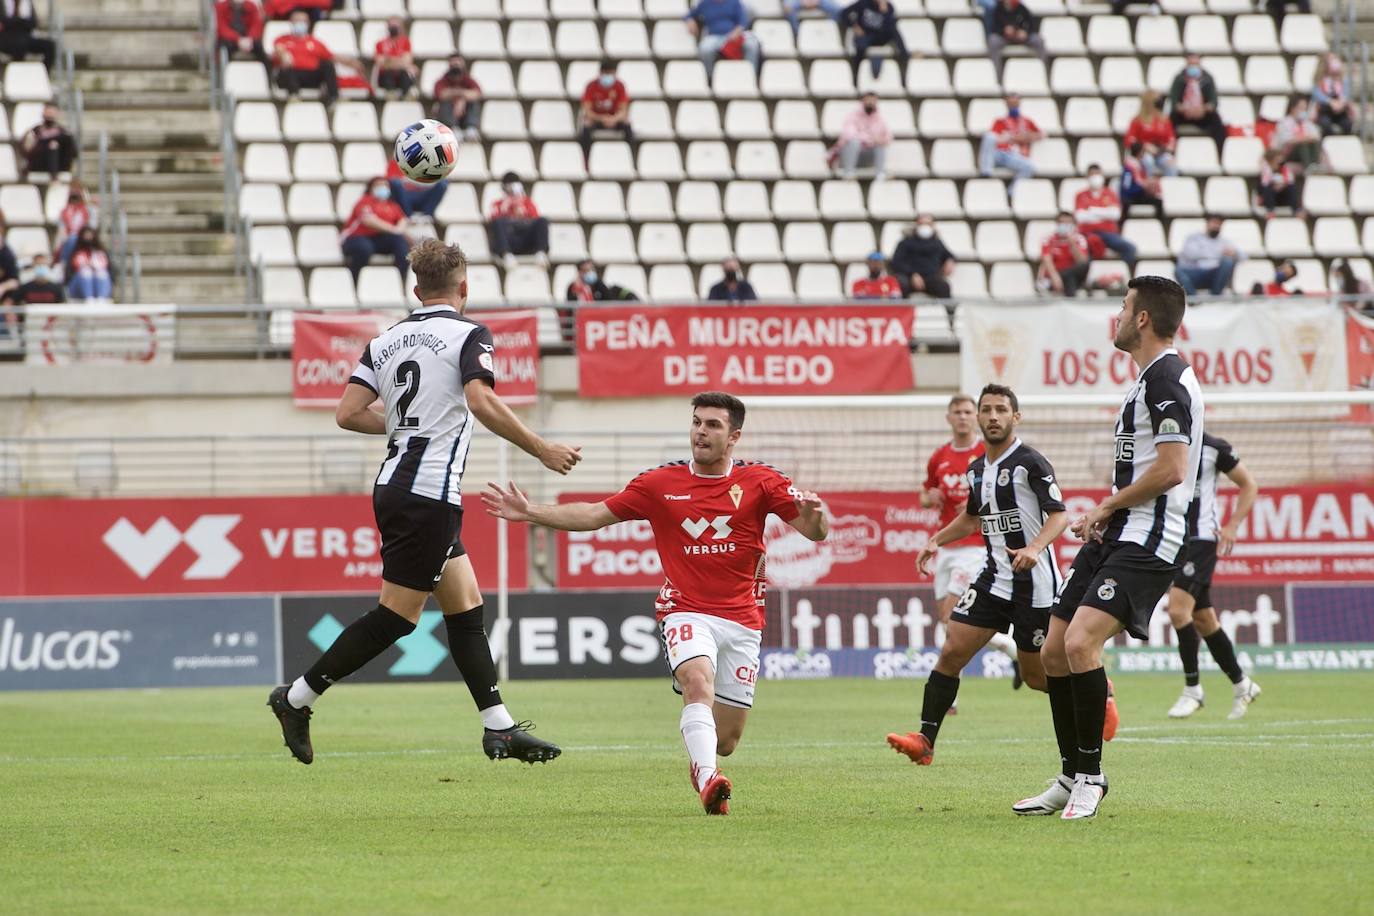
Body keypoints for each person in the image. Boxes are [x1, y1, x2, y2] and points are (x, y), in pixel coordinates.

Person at [267, 239, 582, 767]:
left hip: (399, 485)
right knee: (396, 618)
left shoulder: (386, 340)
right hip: (426, 494)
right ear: (464, 288)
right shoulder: (469, 334)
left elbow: (347, 413)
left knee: (466, 606)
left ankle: (499, 726)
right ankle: (296, 697)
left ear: (416, 290)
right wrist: (541, 448)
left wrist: (406, 427)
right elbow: (480, 400)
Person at [481, 391, 829, 815]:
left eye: (713, 425)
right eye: (696, 422)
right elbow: (594, 514)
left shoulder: (761, 481)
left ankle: (707, 762)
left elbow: (814, 531)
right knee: (697, 683)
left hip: (743, 620)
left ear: (734, 436)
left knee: (725, 740)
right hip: (685, 609)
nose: (701, 432)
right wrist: (531, 511)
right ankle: (708, 779)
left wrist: (817, 515)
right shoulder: (659, 484)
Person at [1029, 275, 1202, 820]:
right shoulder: (1147, 380)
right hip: (1119, 530)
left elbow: (1172, 469)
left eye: (1124, 307)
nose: (1118, 316)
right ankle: (1069, 776)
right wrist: (1106, 514)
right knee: (1053, 651)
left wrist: (1105, 505)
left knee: (1081, 643)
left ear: (1142, 318)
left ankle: (1091, 776)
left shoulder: (1166, 379)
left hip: (1151, 536)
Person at [888, 385, 1069, 768]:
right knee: (952, 650)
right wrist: (935, 540)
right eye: (987, 409)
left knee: (1037, 678)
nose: (992, 416)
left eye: (1001, 409)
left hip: (1035, 585)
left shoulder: (1031, 462)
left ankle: (1097, 690)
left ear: (1015, 417)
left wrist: (1035, 548)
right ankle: (924, 740)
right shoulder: (976, 470)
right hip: (993, 579)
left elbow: (1059, 515)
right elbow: (972, 518)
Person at [1165, 433, 1262, 720]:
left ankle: (1192, 690)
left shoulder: (1213, 448)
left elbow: (1249, 484)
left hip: (1201, 540)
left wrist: (1232, 525)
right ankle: (1242, 684)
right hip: (1172, 539)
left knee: (1177, 611)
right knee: (1204, 620)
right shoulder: (1165, 444)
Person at [917, 395, 1004, 678]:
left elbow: (1002, 492)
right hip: (946, 547)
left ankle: (946, 687)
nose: (963, 417)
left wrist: (975, 503)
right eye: (957, 412)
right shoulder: (939, 456)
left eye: (968, 412)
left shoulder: (986, 452)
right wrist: (930, 497)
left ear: (975, 417)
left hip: (975, 547)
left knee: (951, 615)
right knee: (948, 622)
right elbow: (924, 494)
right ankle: (1010, 649)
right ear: (949, 418)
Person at [340, 177, 409, 281]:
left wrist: (398, 230)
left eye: (385, 185)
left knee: (400, 242)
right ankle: (354, 280)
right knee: (364, 248)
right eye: (379, 185)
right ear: (371, 188)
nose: (383, 187)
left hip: (379, 240)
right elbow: (368, 220)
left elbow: (402, 219)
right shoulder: (364, 201)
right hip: (356, 238)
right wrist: (394, 230)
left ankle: (401, 279)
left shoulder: (392, 205)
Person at [272, 12, 343, 108]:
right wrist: (284, 55)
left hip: (311, 76)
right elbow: (279, 49)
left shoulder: (316, 42)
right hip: (291, 75)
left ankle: (334, 97)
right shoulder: (282, 39)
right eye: (297, 21)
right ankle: (294, 96)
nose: (300, 24)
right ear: (291, 22)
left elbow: (331, 57)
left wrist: (352, 63)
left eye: (303, 21)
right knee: (286, 69)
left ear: (308, 23)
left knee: (327, 65)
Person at [1075, 164, 1137, 272]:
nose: (1095, 177)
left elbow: (1116, 215)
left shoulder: (1110, 193)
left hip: (1108, 233)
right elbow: (1080, 217)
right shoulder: (1081, 195)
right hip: (1087, 233)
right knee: (1084, 254)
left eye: (1097, 174)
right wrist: (1105, 213)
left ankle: (1121, 274)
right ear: (1087, 177)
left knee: (1130, 248)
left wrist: (1092, 210)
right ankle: (1089, 279)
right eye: (1092, 174)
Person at [979, 93, 1040, 196]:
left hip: (1013, 156)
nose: (1013, 106)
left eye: (1015, 103)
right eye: (1011, 103)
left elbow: (1041, 134)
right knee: (988, 136)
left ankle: (1011, 194)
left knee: (1029, 167)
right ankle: (986, 173)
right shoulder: (1000, 121)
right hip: (998, 154)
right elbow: (994, 139)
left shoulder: (1027, 121)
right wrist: (1009, 138)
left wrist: (1018, 137)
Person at [487, 172, 549, 269]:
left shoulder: (527, 202)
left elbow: (536, 219)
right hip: (510, 240)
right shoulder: (498, 204)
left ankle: (541, 253)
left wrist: (523, 210)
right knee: (498, 222)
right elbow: (493, 220)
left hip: (526, 240)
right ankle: (506, 255)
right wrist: (506, 207)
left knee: (542, 221)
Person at [684, 0, 761, 79]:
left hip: (734, 35)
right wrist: (690, 20)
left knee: (752, 45)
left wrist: (737, 31)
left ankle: (751, 76)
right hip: (714, 37)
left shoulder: (734, 2)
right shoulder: (705, 3)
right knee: (705, 49)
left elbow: (742, 20)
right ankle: (710, 78)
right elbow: (689, 15)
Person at [578, 60, 633, 165]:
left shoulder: (620, 86)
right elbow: (587, 110)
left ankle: (630, 157)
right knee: (586, 125)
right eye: (606, 73)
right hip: (596, 119)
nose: (608, 76)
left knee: (627, 123)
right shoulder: (591, 86)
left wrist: (613, 119)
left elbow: (623, 110)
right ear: (600, 73)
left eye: (610, 73)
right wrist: (602, 118)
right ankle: (586, 160)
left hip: (614, 119)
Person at [840, 0, 909, 83]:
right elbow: (844, 13)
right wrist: (854, 26)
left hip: (880, 37)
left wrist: (885, 12)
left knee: (894, 32)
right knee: (860, 46)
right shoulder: (863, 3)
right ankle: (856, 73)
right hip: (865, 35)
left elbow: (890, 27)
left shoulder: (889, 7)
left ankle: (904, 56)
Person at [1169, 54, 1226, 152]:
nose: (1193, 67)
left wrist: (1202, 109)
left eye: (1195, 64)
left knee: (1216, 121)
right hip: (1184, 114)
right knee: (1171, 119)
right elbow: (1174, 102)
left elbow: (1213, 102)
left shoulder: (1208, 79)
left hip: (1202, 114)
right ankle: (1171, 150)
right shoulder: (1179, 79)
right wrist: (1186, 109)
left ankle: (1220, 152)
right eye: (1191, 64)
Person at [891, 215, 955, 299]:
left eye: (928, 224)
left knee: (944, 286)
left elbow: (948, 254)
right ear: (916, 225)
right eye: (922, 224)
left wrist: (950, 260)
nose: (925, 227)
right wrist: (912, 274)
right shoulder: (905, 243)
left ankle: (949, 308)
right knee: (901, 284)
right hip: (909, 278)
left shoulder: (937, 243)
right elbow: (896, 263)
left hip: (931, 278)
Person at [1175, 216, 1242, 297]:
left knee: (1227, 262)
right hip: (1196, 272)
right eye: (1214, 223)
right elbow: (1191, 254)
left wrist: (1234, 253)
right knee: (1179, 270)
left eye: (1219, 224)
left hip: (1214, 275)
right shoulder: (1194, 237)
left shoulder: (1224, 241)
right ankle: (1193, 299)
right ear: (1207, 223)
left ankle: (1215, 296)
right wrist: (1218, 253)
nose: (1216, 226)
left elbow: (1243, 256)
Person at [831, 92, 891, 180]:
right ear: (863, 101)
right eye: (868, 100)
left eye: (873, 101)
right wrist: (871, 139)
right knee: (854, 142)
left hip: (866, 157)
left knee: (880, 145)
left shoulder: (879, 119)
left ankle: (880, 174)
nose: (870, 103)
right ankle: (849, 173)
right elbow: (849, 134)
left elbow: (888, 137)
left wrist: (878, 140)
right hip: (847, 156)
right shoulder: (852, 116)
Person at [986, 0, 1049, 83]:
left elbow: (1032, 25)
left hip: (1022, 38)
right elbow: (993, 28)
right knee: (993, 41)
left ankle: (1044, 75)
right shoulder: (998, 9)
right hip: (1004, 39)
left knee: (1038, 40)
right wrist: (1004, 31)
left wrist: (1025, 32)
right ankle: (997, 79)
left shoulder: (1021, 8)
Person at [1124, 90, 1179, 178]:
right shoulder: (1137, 120)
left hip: (1161, 153)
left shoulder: (1164, 120)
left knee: (1170, 163)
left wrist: (1167, 148)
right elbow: (1129, 140)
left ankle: (1171, 185)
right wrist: (1144, 146)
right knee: (1148, 161)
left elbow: (1171, 139)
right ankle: (1148, 185)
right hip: (1144, 153)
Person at [1037, 212, 1091, 298]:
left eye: (1068, 223)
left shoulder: (1079, 239)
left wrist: (1072, 244)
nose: (1065, 226)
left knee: (1079, 269)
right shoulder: (1048, 239)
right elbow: (1046, 259)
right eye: (1062, 223)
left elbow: (1082, 261)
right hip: (1055, 275)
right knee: (1069, 278)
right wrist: (1054, 276)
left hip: (1074, 276)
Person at [431, 55, 482, 141]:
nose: (456, 66)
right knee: (445, 103)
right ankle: (452, 128)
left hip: (465, 115)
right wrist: (460, 97)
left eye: (458, 64)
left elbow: (477, 94)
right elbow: (441, 95)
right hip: (448, 115)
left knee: (473, 102)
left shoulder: (469, 80)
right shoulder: (441, 81)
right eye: (453, 64)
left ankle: (471, 129)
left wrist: (462, 100)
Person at [19, 104, 77, 179]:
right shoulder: (34, 131)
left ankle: (55, 175)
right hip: (39, 163)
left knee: (57, 145)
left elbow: (73, 153)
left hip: (60, 165)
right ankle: (54, 176)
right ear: (43, 113)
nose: (50, 117)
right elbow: (25, 150)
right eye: (48, 113)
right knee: (51, 146)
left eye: (52, 114)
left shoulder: (64, 133)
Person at [0, 0, 56, 70]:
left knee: (49, 46)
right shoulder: (2, 2)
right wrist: (22, 21)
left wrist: (13, 22)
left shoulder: (27, 2)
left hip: (26, 37)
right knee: (19, 44)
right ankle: (17, 72)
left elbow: (34, 22)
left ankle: (43, 73)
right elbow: (3, 22)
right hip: (6, 39)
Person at [215, 0, 269, 68]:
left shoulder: (251, 6)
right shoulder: (220, 7)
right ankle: (226, 71)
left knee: (259, 46)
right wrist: (238, 39)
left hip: (248, 39)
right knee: (225, 46)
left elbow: (256, 25)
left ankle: (266, 72)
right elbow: (222, 28)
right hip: (230, 40)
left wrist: (250, 39)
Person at [65, 228, 115, 301]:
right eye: (86, 235)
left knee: (101, 273)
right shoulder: (75, 252)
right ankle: (89, 298)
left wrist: (95, 269)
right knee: (86, 272)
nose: (88, 237)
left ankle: (101, 298)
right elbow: (68, 274)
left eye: (90, 235)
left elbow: (110, 272)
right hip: (78, 286)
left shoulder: (101, 253)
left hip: (99, 284)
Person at [1273, 96, 1323, 170]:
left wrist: (1306, 139)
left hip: (1305, 152)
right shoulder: (1284, 122)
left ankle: (1315, 166)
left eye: (1305, 109)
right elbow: (1286, 140)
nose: (1303, 111)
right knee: (1302, 144)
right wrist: (1303, 139)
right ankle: (1309, 168)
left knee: (1313, 144)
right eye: (1301, 108)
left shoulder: (1307, 122)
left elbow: (1316, 136)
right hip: (1288, 153)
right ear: (1292, 108)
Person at [55, 182, 97, 268]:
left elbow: (92, 227)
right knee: (71, 239)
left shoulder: (88, 210)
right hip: (69, 239)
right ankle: (65, 265)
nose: (75, 201)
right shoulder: (64, 211)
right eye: (73, 197)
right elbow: (61, 231)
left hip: (85, 237)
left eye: (77, 197)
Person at [372, 17, 416, 97]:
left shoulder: (406, 42)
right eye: (391, 26)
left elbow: (407, 61)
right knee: (388, 73)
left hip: (400, 76)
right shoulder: (380, 43)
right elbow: (380, 62)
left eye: (396, 26)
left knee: (405, 75)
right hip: (385, 77)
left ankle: (406, 97)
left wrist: (388, 60)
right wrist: (400, 62)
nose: (393, 28)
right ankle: (390, 96)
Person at [1311, 54, 1353, 136]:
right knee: (1325, 124)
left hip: (1340, 110)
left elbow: (1346, 93)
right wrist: (1330, 102)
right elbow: (1317, 94)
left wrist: (1341, 102)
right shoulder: (1320, 80)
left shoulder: (1343, 80)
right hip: (1325, 110)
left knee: (1347, 124)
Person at [1121, 143, 1164, 220]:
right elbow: (1126, 187)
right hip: (1132, 195)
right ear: (1140, 152)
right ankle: (1122, 223)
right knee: (1125, 203)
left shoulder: (1141, 165)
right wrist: (1141, 188)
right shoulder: (1129, 168)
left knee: (1158, 201)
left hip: (1140, 194)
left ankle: (1159, 222)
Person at [1258, 148, 1301, 220]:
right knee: (1268, 188)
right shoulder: (1266, 169)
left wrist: (1281, 186)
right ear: (1271, 162)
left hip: (1282, 197)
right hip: (1269, 197)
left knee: (1291, 188)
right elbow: (1264, 183)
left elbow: (1290, 182)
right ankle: (1270, 211)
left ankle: (1297, 210)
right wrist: (1275, 186)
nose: (1280, 163)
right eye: (1277, 161)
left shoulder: (1285, 170)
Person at [566, 260, 638, 302]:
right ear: (580, 272)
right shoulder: (573, 287)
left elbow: (609, 299)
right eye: (586, 270)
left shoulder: (598, 284)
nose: (590, 272)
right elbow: (571, 307)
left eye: (592, 269)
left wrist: (599, 283)